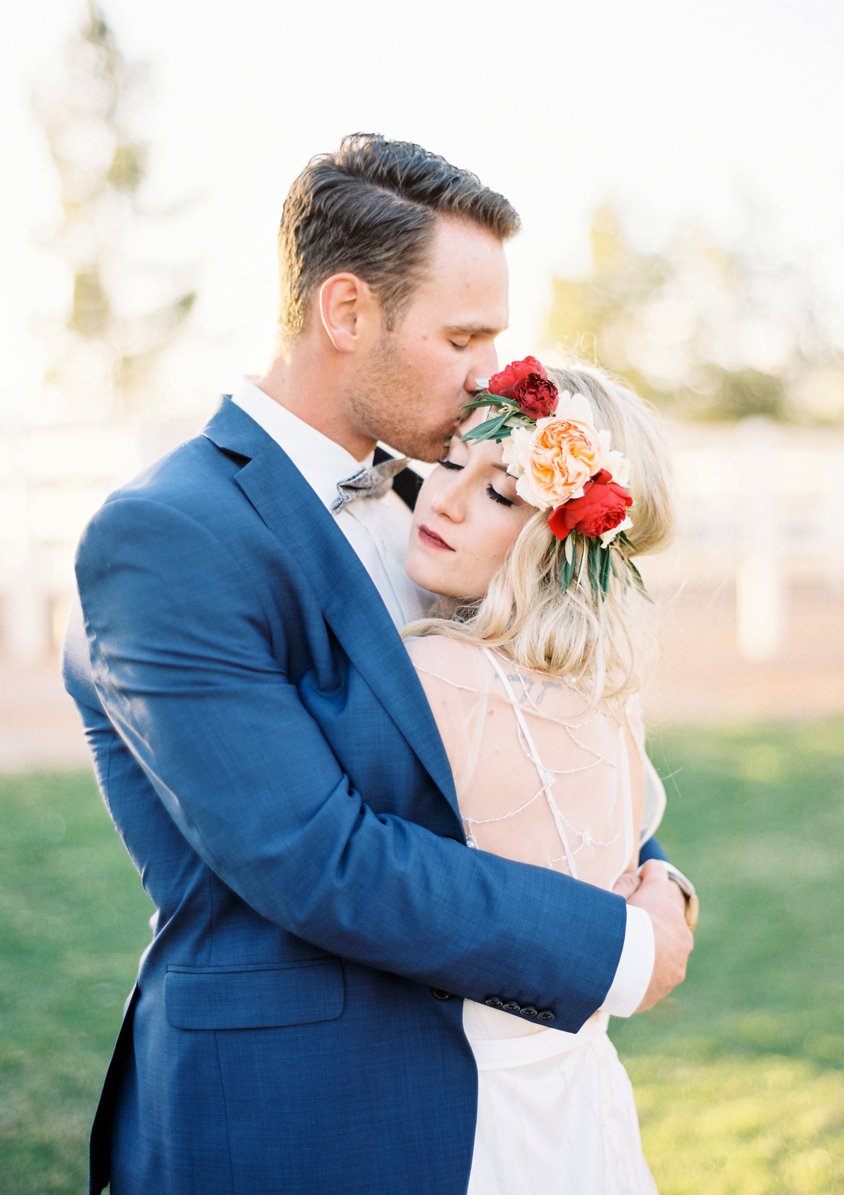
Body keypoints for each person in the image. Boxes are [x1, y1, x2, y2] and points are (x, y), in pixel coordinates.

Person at [62, 134, 694, 1195]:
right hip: (298, 1113)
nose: (494, 374)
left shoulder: (437, 498)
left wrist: (657, 872)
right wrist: (616, 947)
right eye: (463, 336)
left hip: (511, 1100)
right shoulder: (169, 534)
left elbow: (545, 700)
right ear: (347, 312)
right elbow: (315, 854)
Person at [404, 357, 694, 1193]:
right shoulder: (608, 694)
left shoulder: (429, 674)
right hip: (584, 1101)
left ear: (562, 536)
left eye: (501, 493)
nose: (446, 499)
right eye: (452, 460)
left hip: (467, 1113)